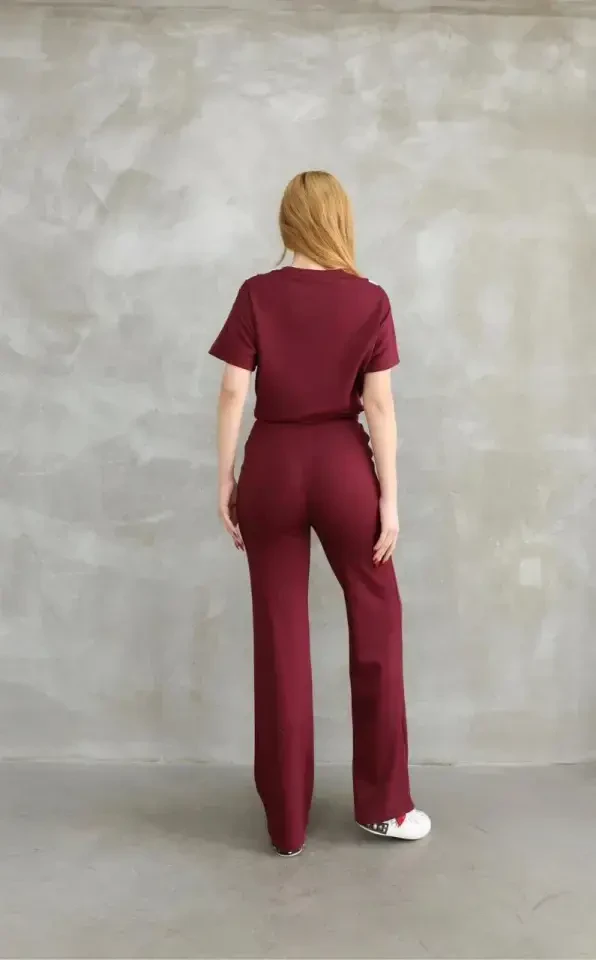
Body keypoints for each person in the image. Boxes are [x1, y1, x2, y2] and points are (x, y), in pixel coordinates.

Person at [209, 170, 431, 857]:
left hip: (272, 463)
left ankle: (286, 824)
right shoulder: (370, 300)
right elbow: (379, 405)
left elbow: (232, 391)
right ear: (340, 221)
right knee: (377, 616)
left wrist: (226, 476)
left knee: (279, 633)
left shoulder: (257, 293)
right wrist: (389, 498)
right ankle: (385, 807)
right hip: (341, 466)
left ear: (288, 222)